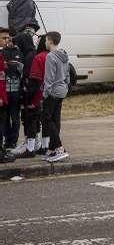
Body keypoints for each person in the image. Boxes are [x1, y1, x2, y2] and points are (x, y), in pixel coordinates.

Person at [40, 31, 70, 163]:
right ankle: (52, 149)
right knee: (55, 119)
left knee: (46, 118)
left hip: (53, 92)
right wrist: (66, 86)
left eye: (46, 40)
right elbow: (68, 73)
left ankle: (59, 148)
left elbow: (49, 77)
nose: (45, 43)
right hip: (62, 90)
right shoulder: (64, 54)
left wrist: (45, 93)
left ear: (50, 41)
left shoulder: (50, 56)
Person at [1, 28, 23, 154]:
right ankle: (6, 139)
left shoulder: (18, 51)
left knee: (15, 117)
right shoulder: (2, 52)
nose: (8, 40)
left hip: (15, 91)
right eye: (5, 38)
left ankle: (13, 141)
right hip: (4, 91)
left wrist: (17, 65)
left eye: (9, 37)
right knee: (4, 117)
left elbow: (24, 69)